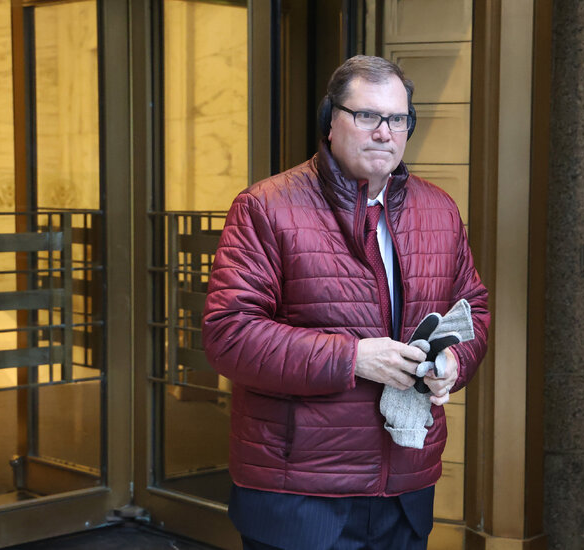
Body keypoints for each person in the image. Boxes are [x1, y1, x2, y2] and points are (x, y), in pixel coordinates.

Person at [202, 55, 490, 550]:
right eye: (367, 115)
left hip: (404, 488)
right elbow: (229, 334)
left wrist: (452, 362)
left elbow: (474, 310)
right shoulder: (265, 207)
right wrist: (353, 357)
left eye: (397, 119)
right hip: (299, 492)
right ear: (329, 121)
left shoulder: (439, 209)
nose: (384, 132)